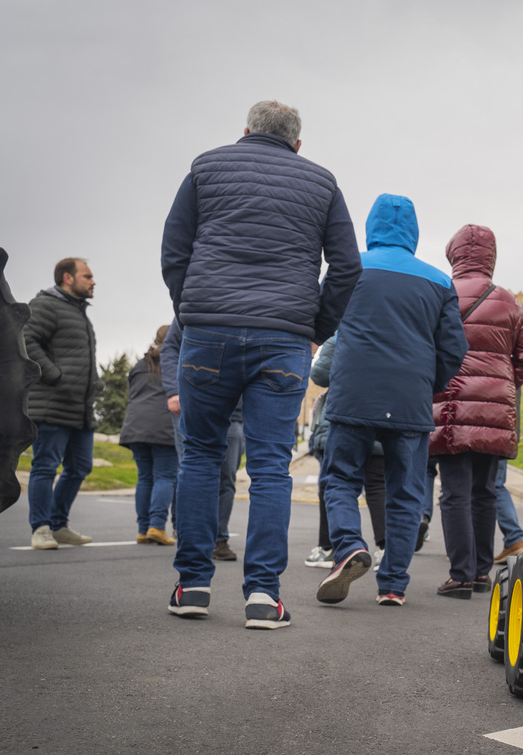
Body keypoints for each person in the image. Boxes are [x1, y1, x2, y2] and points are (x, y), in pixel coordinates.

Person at [161, 100, 362, 629]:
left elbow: (174, 249)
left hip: (208, 335)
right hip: (284, 340)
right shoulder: (321, 183)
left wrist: (195, 307)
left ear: (245, 130)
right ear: (298, 145)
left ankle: (193, 586)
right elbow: (347, 266)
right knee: (270, 467)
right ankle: (262, 597)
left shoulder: (206, 167)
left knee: (201, 456)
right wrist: (314, 327)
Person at [315, 194, 467, 608]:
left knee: (341, 479)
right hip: (409, 401)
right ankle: (393, 584)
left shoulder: (350, 266)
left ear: (371, 226)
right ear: (413, 233)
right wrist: (426, 382)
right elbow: (454, 348)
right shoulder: (438, 281)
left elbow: (322, 320)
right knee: (405, 492)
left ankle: (347, 546)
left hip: (353, 393)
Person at [430, 223, 523, 599]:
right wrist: (501, 387)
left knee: (455, 492)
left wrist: (438, 385)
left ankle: (460, 575)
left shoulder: (441, 293)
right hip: (494, 415)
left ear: (454, 254)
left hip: (453, 409)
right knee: (486, 492)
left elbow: (430, 348)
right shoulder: (508, 301)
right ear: (491, 258)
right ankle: (479, 573)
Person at [23, 257, 98, 549]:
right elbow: (26, 340)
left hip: (80, 408)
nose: (93, 281)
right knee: (45, 467)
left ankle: (58, 524)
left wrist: (95, 384)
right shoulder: (46, 305)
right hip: (51, 403)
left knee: (80, 467)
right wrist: (55, 376)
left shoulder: (79, 312)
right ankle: (41, 529)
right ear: (68, 278)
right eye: (88, 276)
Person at [306, 334, 390, 571]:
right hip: (383, 414)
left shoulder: (342, 333)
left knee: (335, 483)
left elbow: (319, 375)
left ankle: (332, 548)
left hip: (345, 415)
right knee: (377, 485)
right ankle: (385, 549)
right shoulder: (394, 331)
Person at [160, 319, 242, 561]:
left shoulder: (250, 307)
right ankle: (191, 537)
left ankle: (219, 539)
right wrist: (173, 391)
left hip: (234, 412)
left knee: (226, 477)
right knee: (193, 471)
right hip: (192, 403)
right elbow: (169, 349)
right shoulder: (195, 301)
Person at [119, 326, 178, 546]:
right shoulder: (174, 362)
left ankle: (143, 529)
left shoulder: (139, 365)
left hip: (135, 426)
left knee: (145, 477)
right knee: (165, 476)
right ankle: (157, 526)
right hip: (163, 426)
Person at [494, 458, 523, 561]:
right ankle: (515, 540)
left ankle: (465, 546)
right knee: (497, 486)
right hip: (503, 442)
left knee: (472, 486)